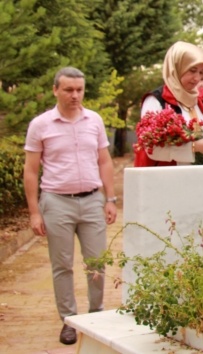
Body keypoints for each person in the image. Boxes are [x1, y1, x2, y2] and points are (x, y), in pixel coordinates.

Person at [23, 67, 118, 345]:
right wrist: (34, 212)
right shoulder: (40, 125)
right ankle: (68, 320)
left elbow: (104, 161)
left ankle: (96, 316)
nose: (75, 95)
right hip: (57, 203)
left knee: (97, 263)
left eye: (79, 90)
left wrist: (110, 199)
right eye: (68, 90)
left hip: (92, 201)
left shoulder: (95, 120)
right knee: (62, 265)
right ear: (55, 90)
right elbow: (30, 171)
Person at [135, 42, 203, 167]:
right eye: (192, 71)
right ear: (176, 68)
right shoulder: (157, 100)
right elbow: (151, 149)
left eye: (200, 72)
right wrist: (193, 147)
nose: (197, 78)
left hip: (197, 178)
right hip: (164, 180)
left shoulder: (200, 99)